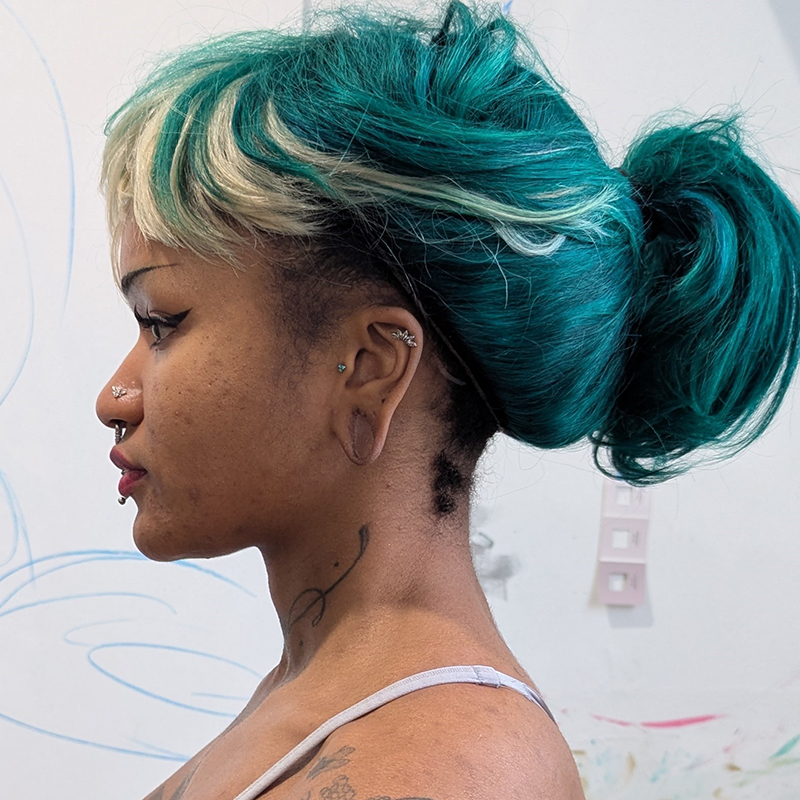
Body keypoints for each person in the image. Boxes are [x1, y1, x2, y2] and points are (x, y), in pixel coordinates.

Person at [94, 2, 800, 798]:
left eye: (162, 323)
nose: (113, 398)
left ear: (369, 368)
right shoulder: (322, 702)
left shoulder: (446, 769)